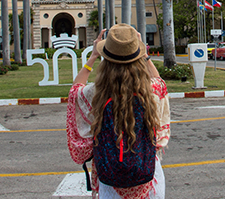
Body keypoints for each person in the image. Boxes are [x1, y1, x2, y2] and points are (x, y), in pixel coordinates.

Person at [66, 23, 171, 198]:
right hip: (148, 178)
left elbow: (74, 91)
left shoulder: (95, 94)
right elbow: (160, 83)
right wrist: (145, 55)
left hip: (111, 182)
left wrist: (92, 57)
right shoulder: (151, 91)